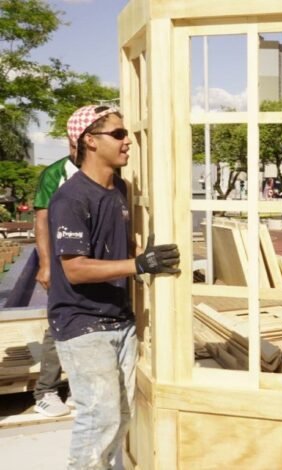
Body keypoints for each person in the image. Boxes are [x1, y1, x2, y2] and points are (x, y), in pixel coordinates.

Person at [48, 105, 181, 469]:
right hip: (83, 324)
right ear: (90, 141)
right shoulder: (72, 198)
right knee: (99, 420)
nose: (128, 142)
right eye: (119, 134)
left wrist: (145, 256)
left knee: (120, 416)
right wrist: (138, 266)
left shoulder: (118, 189)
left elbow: (120, 248)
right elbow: (74, 269)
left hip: (119, 319)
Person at [31, 144, 80, 417]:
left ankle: (76, 385)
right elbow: (41, 221)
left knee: (90, 323)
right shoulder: (55, 173)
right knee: (59, 323)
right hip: (63, 263)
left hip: (95, 263)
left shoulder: (110, 170)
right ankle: (46, 391)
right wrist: (46, 264)